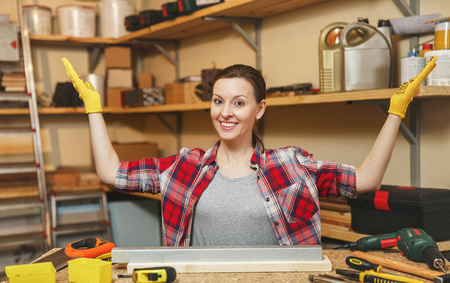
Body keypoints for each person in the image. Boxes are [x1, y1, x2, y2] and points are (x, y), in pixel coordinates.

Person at [62, 57, 436, 247]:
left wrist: (396, 111)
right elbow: (112, 173)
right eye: (218, 101)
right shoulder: (184, 166)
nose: (225, 112)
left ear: (259, 109)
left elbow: (365, 179)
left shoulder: (291, 165)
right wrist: (94, 109)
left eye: (239, 103)